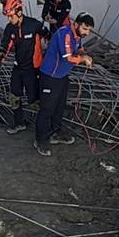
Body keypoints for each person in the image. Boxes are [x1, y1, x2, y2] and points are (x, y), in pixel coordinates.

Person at [34, 12, 94, 156]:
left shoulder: (77, 35)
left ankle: (56, 133)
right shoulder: (65, 33)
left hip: (62, 76)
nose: (86, 32)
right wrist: (82, 58)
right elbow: (68, 58)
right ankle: (40, 140)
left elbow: (78, 49)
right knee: (47, 109)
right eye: (85, 28)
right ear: (77, 24)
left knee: (59, 107)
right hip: (50, 76)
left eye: (89, 30)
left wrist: (83, 53)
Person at [0, 0, 46, 134]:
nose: (9, 19)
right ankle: (19, 123)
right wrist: (0, 58)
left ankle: (43, 126)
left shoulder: (34, 25)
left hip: (33, 68)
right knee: (14, 96)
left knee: (34, 99)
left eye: (11, 16)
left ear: (19, 12)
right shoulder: (10, 28)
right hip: (18, 67)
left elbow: (49, 36)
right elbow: (5, 45)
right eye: (7, 17)